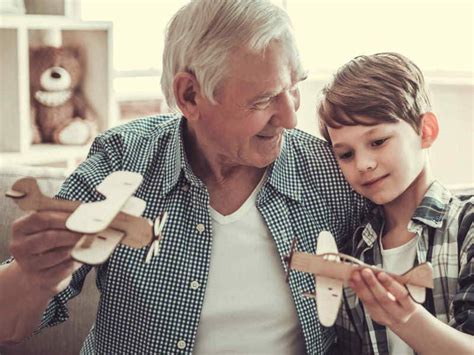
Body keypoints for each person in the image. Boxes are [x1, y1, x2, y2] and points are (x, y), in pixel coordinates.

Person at [0, 1, 369, 354]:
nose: (289, 118)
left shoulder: (332, 172)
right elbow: (8, 326)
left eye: (293, 88)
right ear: (190, 95)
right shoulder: (122, 158)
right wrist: (33, 277)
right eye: (263, 100)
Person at [317, 52, 474, 355]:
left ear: (425, 131)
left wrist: (407, 318)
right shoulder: (352, 250)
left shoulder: (467, 226)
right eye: (346, 154)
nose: (363, 164)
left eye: (377, 142)